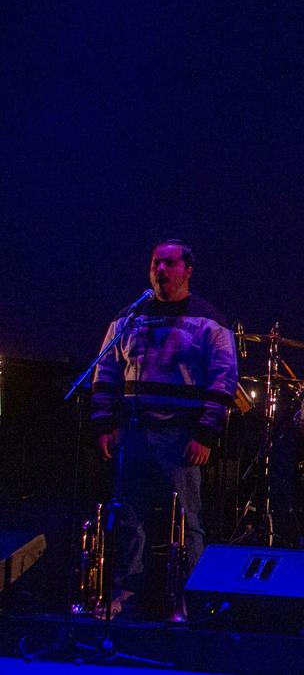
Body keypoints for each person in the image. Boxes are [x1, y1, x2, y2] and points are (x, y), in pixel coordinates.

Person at [88, 240, 237, 619]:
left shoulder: (208, 321)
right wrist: (104, 423)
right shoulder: (129, 317)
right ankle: (126, 598)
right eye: (156, 263)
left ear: (187, 270)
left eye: (169, 263)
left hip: (181, 436)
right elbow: (105, 371)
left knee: (188, 520)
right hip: (135, 432)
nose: (160, 270)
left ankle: (192, 602)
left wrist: (206, 434)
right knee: (129, 518)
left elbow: (224, 379)